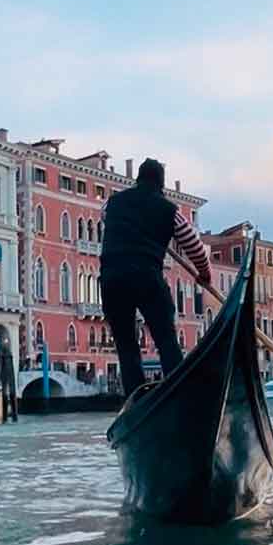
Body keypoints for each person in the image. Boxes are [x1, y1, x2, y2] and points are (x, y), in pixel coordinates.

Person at [100, 158, 211, 401]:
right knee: (166, 340)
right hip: (146, 277)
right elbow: (195, 247)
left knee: (126, 346)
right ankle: (180, 395)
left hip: (111, 280)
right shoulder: (168, 210)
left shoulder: (113, 203)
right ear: (161, 184)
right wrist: (205, 274)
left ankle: (136, 401)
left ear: (138, 179)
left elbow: (105, 217)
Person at [0, 342, 18, 423]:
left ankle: (6, 418)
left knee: (7, 394)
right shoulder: (8, 357)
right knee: (9, 394)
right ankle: (13, 417)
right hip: (9, 378)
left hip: (7, 379)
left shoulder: (3, 357)